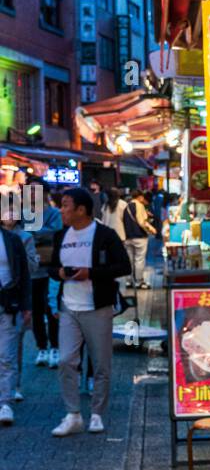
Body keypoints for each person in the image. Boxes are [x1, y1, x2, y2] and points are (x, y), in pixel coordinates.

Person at [49, 186, 130, 436]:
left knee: (101, 363)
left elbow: (123, 266)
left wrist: (90, 273)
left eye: (65, 205)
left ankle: (96, 413)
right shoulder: (61, 235)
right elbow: (53, 267)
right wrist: (60, 273)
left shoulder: (104, 234)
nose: (61, 210)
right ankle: (73, 414)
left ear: (81, 210)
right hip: (69, 308)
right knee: (65, 361)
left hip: (97, 308)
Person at [1, 210, 38, 402]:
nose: (8, 215)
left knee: (13, 346)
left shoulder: (23, 237)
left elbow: (30, 269)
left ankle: (13, 387)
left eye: (12, 211)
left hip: (13, 298)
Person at [31, 182, 62, 366]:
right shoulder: (27, 214)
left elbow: (55, 233)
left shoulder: (54, 213)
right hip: (32, 270)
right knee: (35, 311)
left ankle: (55, 347)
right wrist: (40, 233)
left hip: (50, 268)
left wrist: (35, 233)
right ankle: (41, 347)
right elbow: (23, 235)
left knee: (52, 309)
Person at [123, 189, 157, 289]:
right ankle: (139, 281)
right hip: (139, 237)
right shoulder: (139, 205)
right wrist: (152, 229)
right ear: (140, 197)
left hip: (128, 237)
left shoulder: (126, 205)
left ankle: (129, 281)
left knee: (129, 260)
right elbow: (142, 222)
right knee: (139, 259)